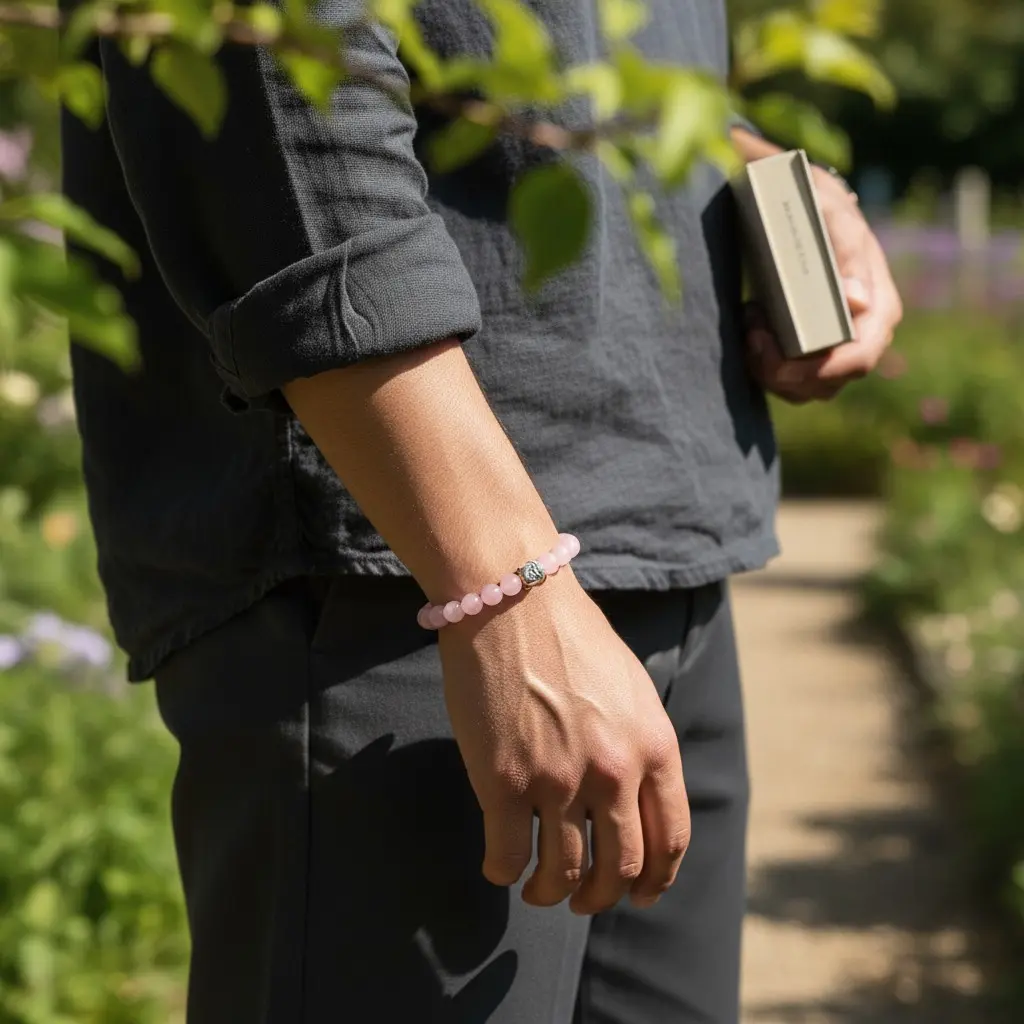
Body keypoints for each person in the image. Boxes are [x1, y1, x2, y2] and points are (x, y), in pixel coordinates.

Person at [60, 0, 902, 1021]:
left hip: (659, 548)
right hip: (406, 585)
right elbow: (280, 85)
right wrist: (503, 583)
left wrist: (745, 159)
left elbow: (559, 47)